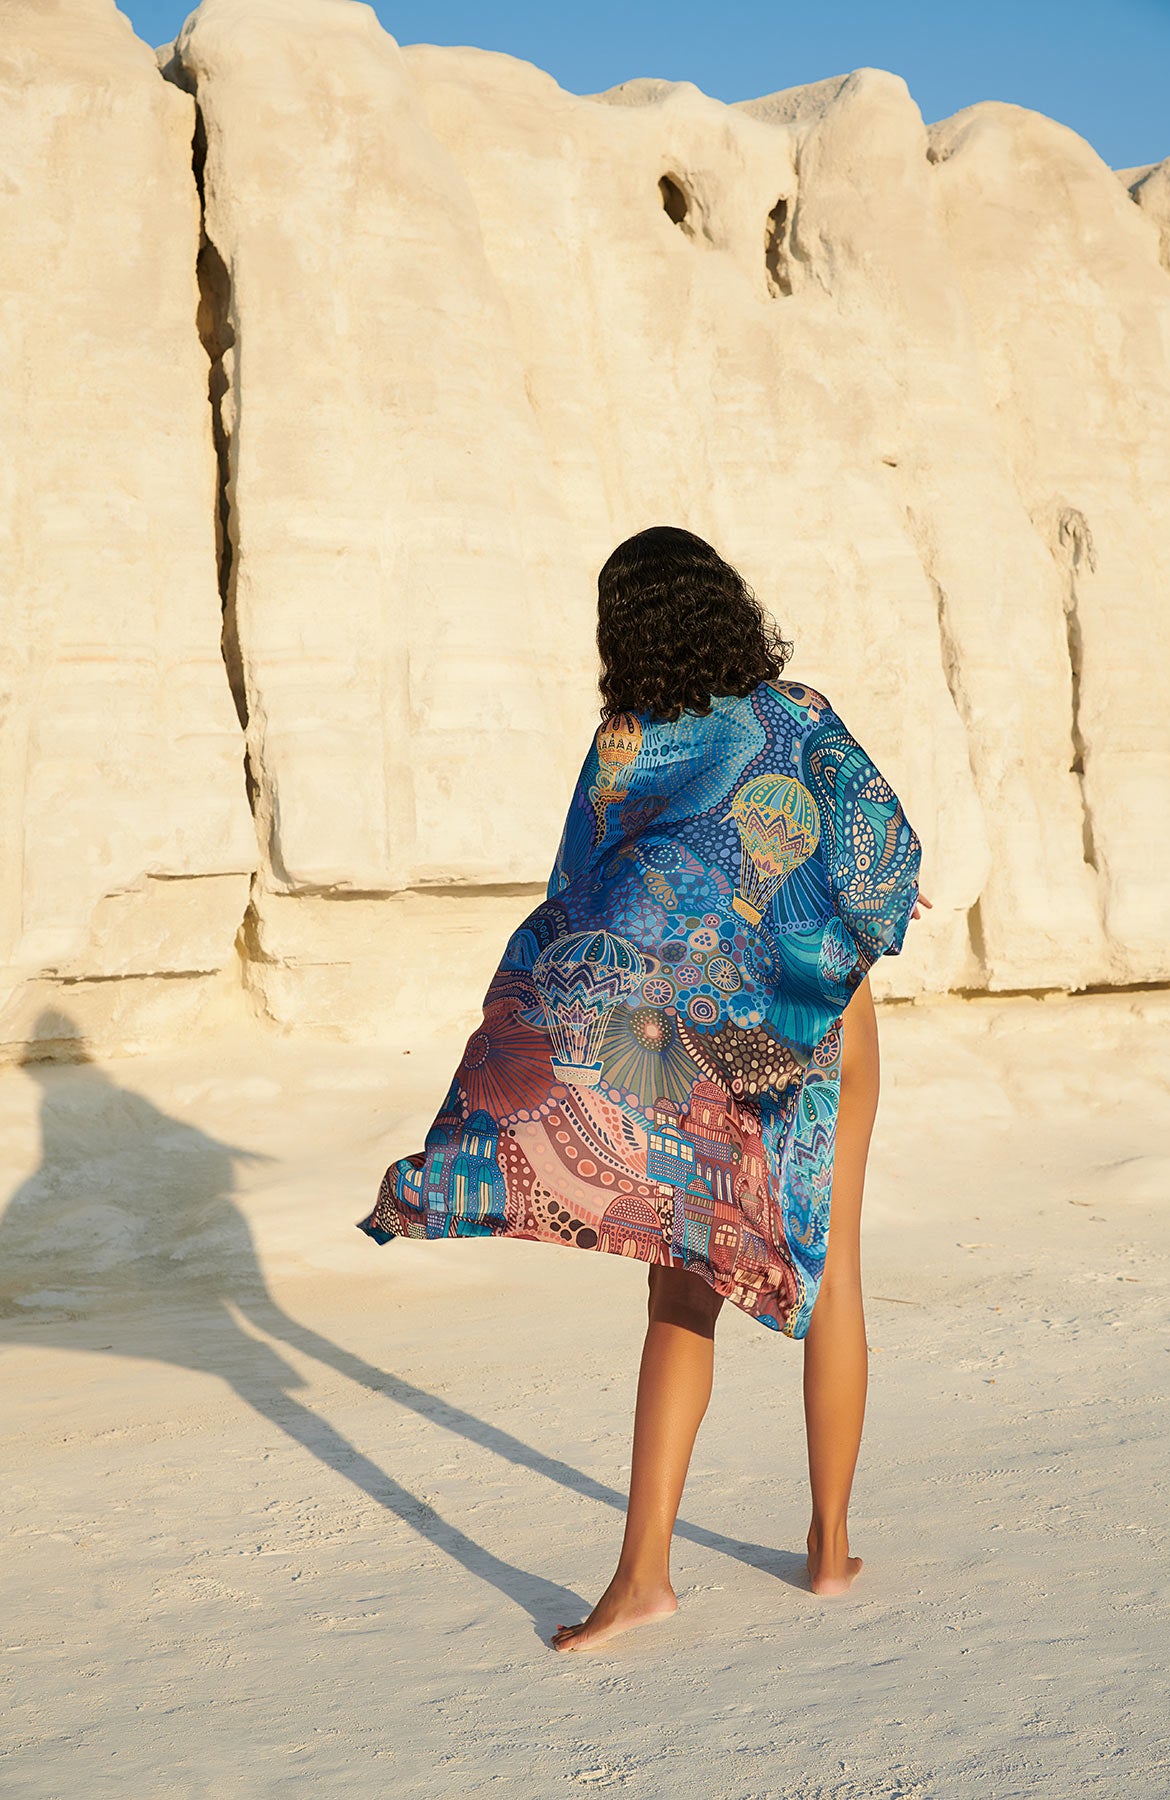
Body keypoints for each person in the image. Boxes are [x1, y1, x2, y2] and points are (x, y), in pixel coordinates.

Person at [358, 524, 929, 1651]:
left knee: (683, 1288)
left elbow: (584, 905)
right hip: (819, 1025)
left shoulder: (624, 748)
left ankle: (645, 1575)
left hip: (696, 1052)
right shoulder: (797, 715)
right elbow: (882, 855)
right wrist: (813, 950)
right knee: (835, 1264)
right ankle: (826, 1551)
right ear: (730, 605)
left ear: (623, 630)